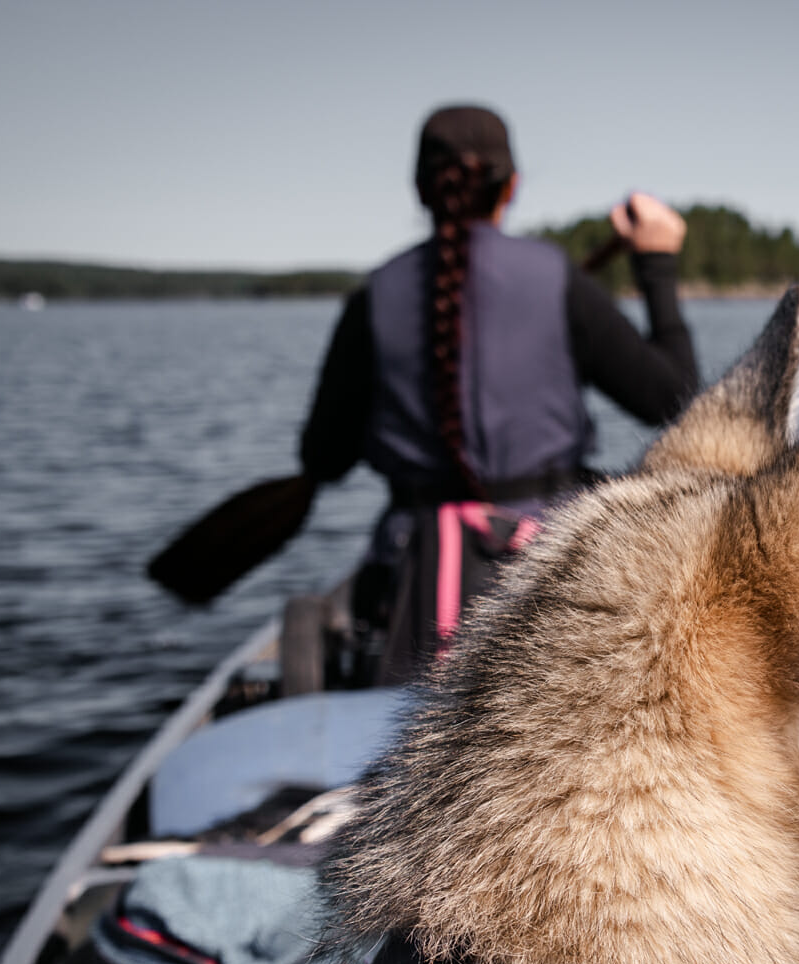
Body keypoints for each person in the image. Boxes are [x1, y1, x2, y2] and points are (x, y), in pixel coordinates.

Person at [296, 104, 699, 680]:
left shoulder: (373, 298)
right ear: (510, 187)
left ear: (420, 189)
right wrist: (655, 264)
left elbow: (324, 460)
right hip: (550, 571)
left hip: (411, 572)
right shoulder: (558, 279)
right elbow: (674, 401)